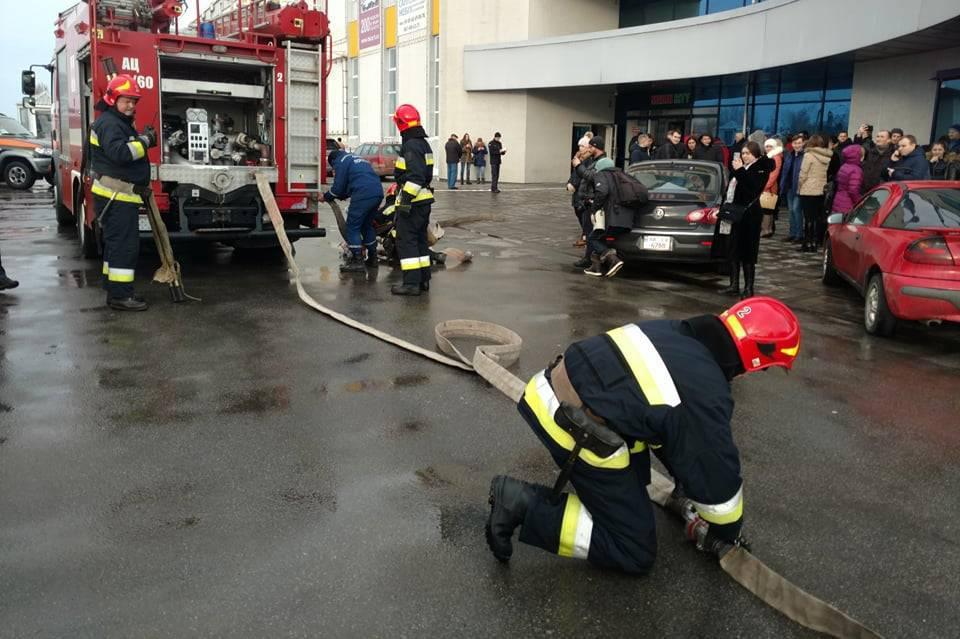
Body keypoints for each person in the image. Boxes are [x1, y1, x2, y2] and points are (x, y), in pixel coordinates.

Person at [485, 297, 801, 573]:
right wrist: (727, 532)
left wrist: (684, 484)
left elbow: (665, 423)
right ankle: (523, 506)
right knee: (633, 549)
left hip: (552, 390)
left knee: (635, 475)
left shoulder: (676, 333)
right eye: (766, 368)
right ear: (756, 358)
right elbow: (716, 483)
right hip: (575, 427)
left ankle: (610, 501)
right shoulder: (705, 391)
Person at [89, 74, 157, 311]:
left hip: (115, 196)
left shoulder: (115, 122)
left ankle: (113, 288)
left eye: (134, 101)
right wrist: (146, 141)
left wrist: (140, 138)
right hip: (115, 196)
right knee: (123, 246)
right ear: (112, 99)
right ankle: (121, 296)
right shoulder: (109, 123)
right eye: (126, 100)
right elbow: (121, 153)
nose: (131, 105)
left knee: (115, 244)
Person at [713, 141, 769, 298]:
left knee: (748, 253)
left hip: (750, 216)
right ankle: (734, 285)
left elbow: (752, 189)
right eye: (743, 153)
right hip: (735, 214)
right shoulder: (741, 169)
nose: (745, 156)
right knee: (733, 251)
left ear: (756, 154)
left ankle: (749, 287)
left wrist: (739, 172)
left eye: (748, 153)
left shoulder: (760, 169)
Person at [390, 104, 435, 296]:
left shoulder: (411, 145)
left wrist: (406, 199)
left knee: (406, 241)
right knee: (419, 241)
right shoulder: (423, 143)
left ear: (401, 123)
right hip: (424, 201)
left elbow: (415, 177)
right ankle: (423, 280)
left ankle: (411, 284)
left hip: (414, 202)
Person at [325, 148, 385, 272]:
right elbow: (351, 185)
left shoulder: (340, 161)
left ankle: (358, 261)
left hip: (363, 194)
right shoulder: (355, 158)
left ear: (333, 161)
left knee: (352, 227)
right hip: (377, 193)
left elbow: (337, 188)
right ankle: (373, 258)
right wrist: (342, 195)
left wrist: (326, 196)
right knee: (366, 226)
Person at [580, 157, 628, 278]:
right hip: (623, 215)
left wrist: (595, 207)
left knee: (593, 238)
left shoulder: (602, 175)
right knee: (600, 237)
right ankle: (596, 268)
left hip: (610, 214)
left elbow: (602, 192)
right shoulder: (620, 175)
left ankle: (612, 259)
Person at [571, 137, 606, 267]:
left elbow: (591, 177)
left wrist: (578, 166)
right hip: (587, 200)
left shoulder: (602, 162)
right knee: (588, 230)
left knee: (592, 233)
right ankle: (589, 257)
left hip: (593, 200)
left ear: (596, 147)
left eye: (590, 147)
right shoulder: (594, 160)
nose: (588, 149)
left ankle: (597, 257)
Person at [797, 134, 832, 252]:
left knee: (807, 218)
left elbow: (803, 173)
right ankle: (814, 242)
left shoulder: (808, 155)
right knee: (816, 217)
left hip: (808, 189)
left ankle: (806, 243)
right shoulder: (826, 156)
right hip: (820, 190)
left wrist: (799, 186)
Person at [568, 136, 595, 252]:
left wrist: (573, 183)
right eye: (579, 145)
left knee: (583, 215)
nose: (580, 148)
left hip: (582, 191)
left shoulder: (588, 160)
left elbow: (582, 174)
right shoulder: (578, 157)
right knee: (579, 212)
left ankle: (586, 238)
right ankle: (585, 236)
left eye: (582, 146)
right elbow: (575, 173)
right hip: (577, 191)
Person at [779, 134, 806, 243]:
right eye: (795, 143)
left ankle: (799, 235)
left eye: (799, 143)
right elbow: (785, 171)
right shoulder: (789, 155)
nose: (797, 145)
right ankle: (792, 233)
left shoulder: (805, 156)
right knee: (790, 211)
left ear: (803, 143)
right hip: (789, 186)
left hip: (799, 187)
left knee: (796, 210)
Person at [831, 144, 864, 215]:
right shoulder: (856, 170)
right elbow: (853, 190)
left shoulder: (844, 166)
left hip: (838, 200)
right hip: (848, 204)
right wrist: (860, 202)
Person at [760, 138, 783, 238]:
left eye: (770, 146)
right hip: (767, 186)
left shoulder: (775, 157)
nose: (768, 148)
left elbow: (774, 174)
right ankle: (767, 230)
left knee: (767, 209)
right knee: (767, 209)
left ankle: (766, 230)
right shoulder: (768, 156)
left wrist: (764, 186)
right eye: (767, 146)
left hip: (769, 187)